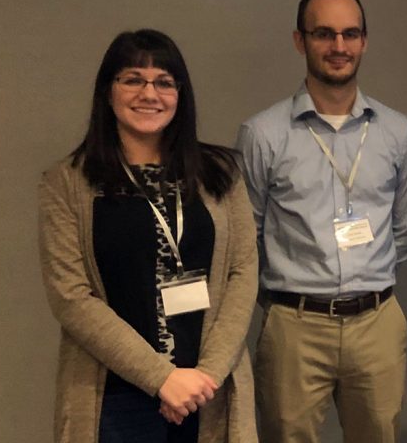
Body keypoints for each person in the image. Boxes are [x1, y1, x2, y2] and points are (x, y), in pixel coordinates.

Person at [38, 29, 259, 443]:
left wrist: (205, 376)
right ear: (108, 90)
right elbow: (71, 297)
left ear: (180, 93)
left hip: (207, 390)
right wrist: (162, 379)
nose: (149, 93)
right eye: (133, 79)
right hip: (115, 397)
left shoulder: (220, 174)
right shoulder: (67, 183)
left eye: (164, 82)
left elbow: (243, 272)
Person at [236, 0, 407, 443]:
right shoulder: (262, 134)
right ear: (300, 40)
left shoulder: (397, 131)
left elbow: (404, 229)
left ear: (364, 41)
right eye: (324, 34)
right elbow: (246, 237)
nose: (339, 47)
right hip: (295, 327)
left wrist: (365, 281)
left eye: (350, 34)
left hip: (376, 322)